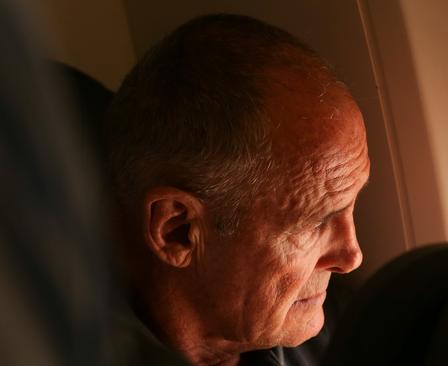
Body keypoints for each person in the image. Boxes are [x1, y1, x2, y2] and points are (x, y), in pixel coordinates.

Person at [104, 14, 370, 366]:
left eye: (351, 206)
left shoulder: (346, 329)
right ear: (177, 230)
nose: (352, 257)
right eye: (313, 223)